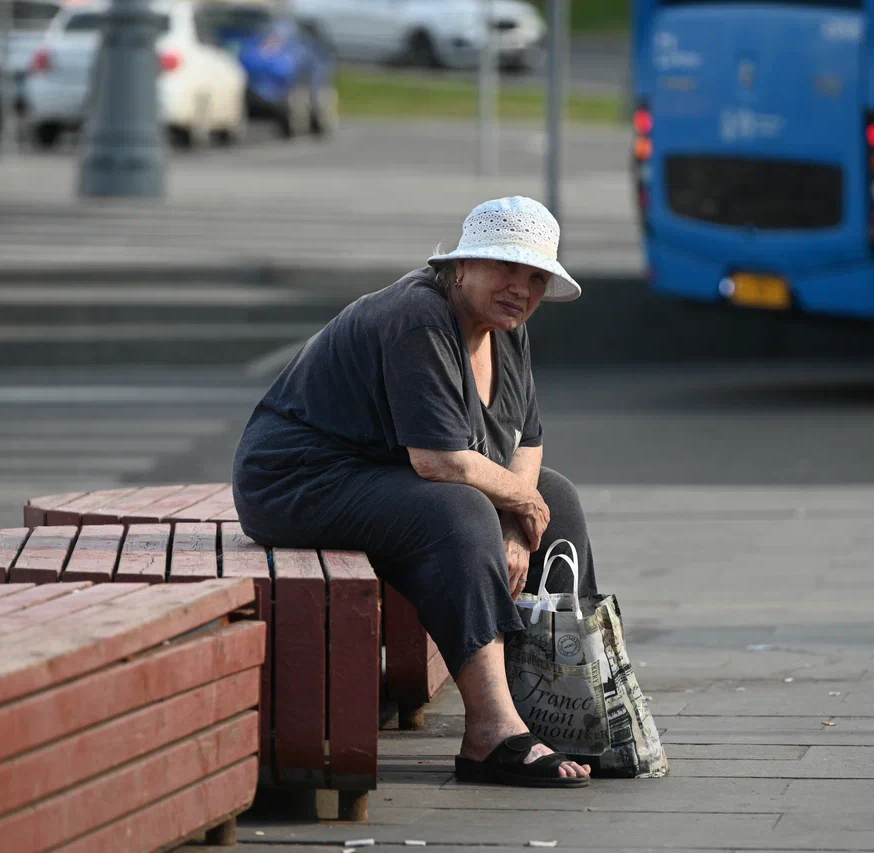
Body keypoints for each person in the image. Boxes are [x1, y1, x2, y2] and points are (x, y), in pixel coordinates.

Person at [232, 196, 600, 788]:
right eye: (506, 266)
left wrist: (519, 521)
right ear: (462, 265)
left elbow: (527, 443)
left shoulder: (507, 328)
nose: (521, 288)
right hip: (298, 480)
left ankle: (568, 706)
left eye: (536, 277)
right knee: (460, 511)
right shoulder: (420, 316)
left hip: (384, 473)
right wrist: (520, 503)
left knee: (558, 499)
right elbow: (438, 460)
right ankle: (492, 733)